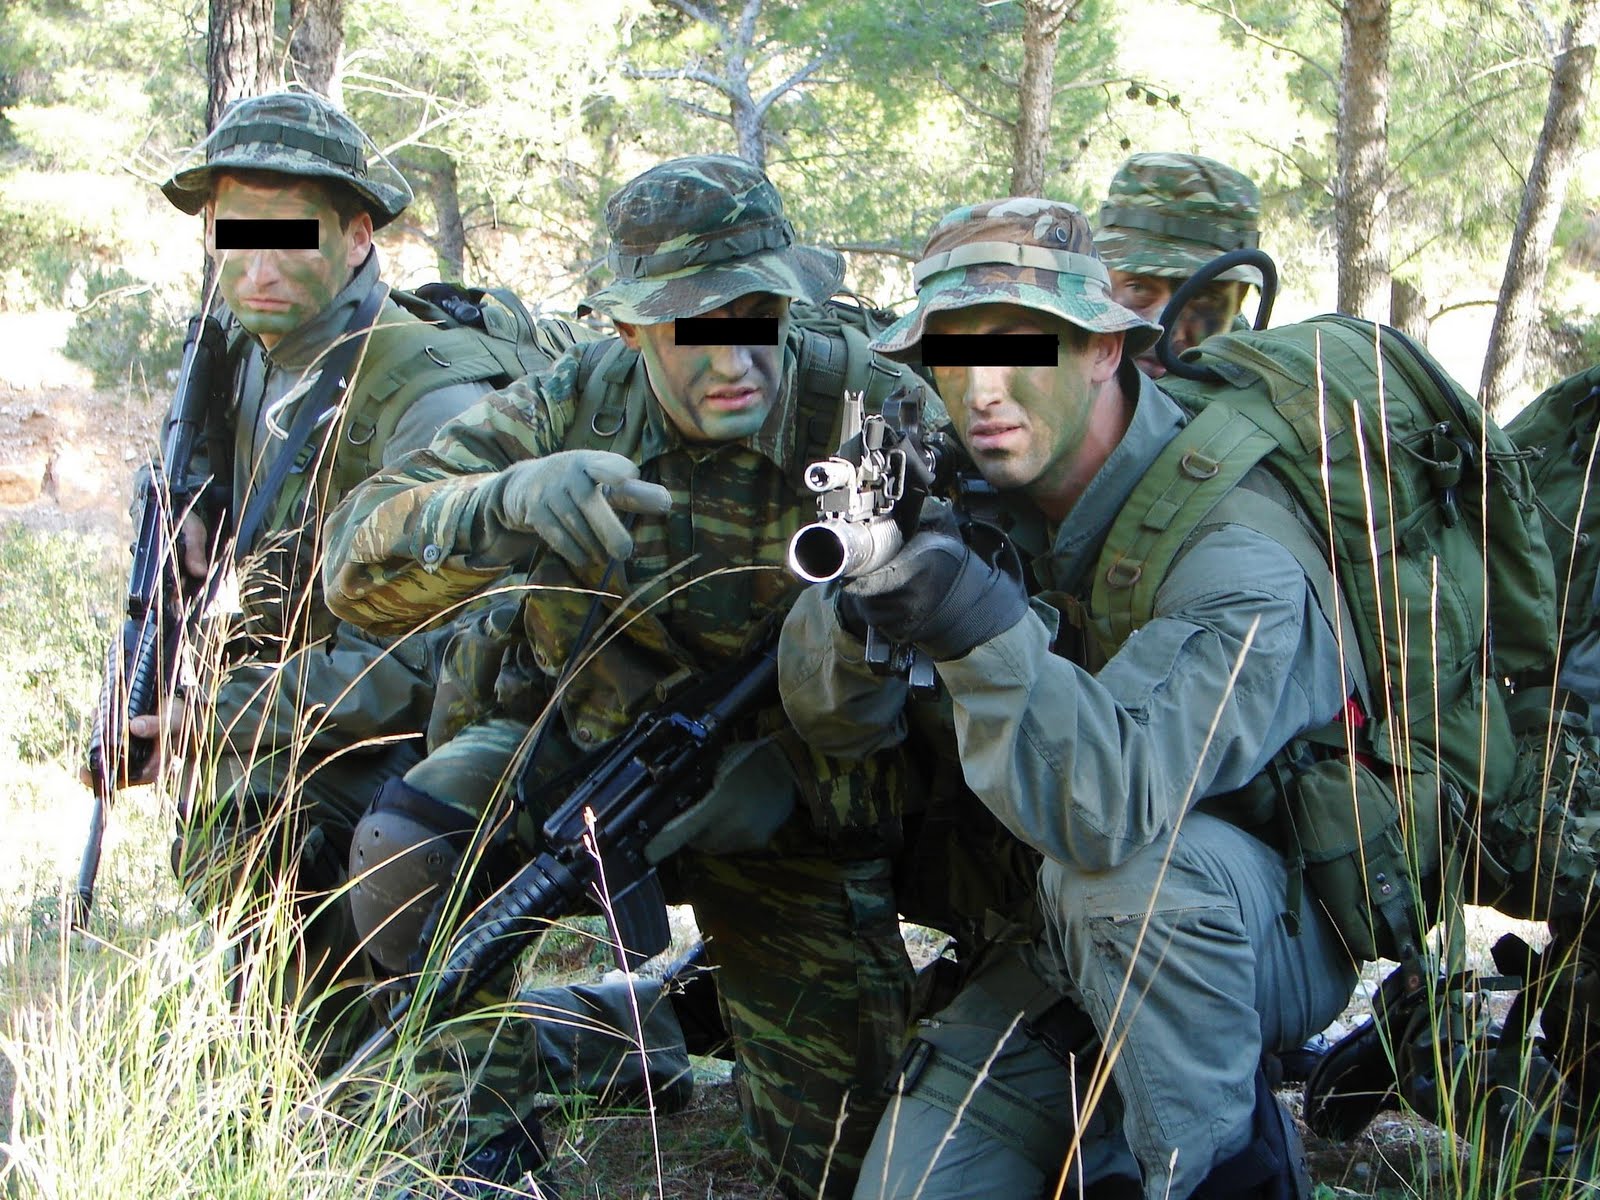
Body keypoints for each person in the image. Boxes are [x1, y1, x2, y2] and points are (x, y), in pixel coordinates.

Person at [320, 154, 940, 1197]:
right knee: (406, 851)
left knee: (841, 1159)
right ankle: (485, 1148)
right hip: (587, 753)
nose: (735, 358)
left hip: (794, 799)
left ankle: (652, 1022)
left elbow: (975, 582)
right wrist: (506, 500)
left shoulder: (866, 404)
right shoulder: (570, 405)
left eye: (755, 316)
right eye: (693, 328)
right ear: (629, 329)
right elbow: (354, 564)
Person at [779, 198, 1360, 1199]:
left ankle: (1229, 1171)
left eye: (1020, 349)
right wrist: (861, 609)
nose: (982, 391)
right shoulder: (973, 486)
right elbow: (827, 722)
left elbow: (1107, 810)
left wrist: (971, 623)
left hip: (1251, 923)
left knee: (1124, 884)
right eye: (953, 355)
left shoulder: (1234, 547)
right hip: (1048, 942)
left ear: (1102, 349)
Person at [123, 91, 566, 1064]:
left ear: (359, 236)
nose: (258, 265)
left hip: (476, 722)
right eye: (236, 234)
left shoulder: (426, 401)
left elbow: (435, 661)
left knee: (277, 805)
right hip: (349, 695)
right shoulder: (252, 352)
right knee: (232, 810)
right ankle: (314, 1059)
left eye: (291, 235)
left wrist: (223, 713)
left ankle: (496, 1062)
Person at [1094, 152, 1263, 378]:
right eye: (1139, 288)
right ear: (1099, 279)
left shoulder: (1262, 385)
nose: (1164, 332)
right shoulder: (1060, 349)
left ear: (1239, 297)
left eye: (1201, 296)